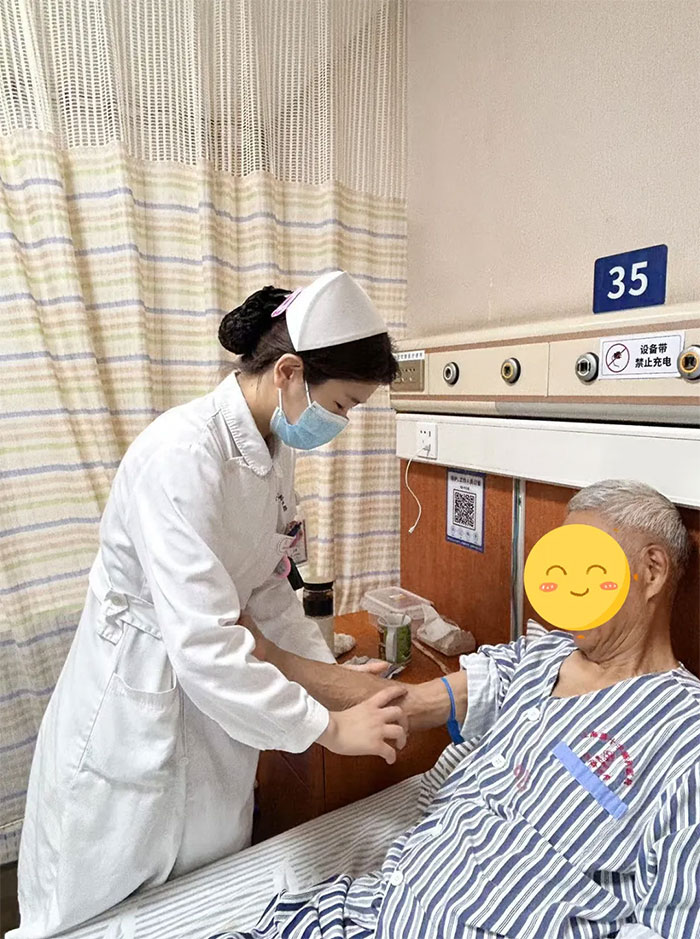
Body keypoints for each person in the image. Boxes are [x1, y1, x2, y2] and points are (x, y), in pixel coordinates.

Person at [12, 271, 408, 939]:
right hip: (136, 698)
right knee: (93, 902)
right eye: (342, 404)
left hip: (211, 710)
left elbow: (267, 585)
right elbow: (202, 645)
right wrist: (330, 729)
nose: (341, 423)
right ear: (289, 372)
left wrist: (326, 678)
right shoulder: (182, 454)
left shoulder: (272, 450)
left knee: (205, 899)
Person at [223, 480, 700, 939]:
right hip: (368, 913)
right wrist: (273, 657)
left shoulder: (686, 738)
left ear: (652, 570)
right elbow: (405, 704)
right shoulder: (536, 658)